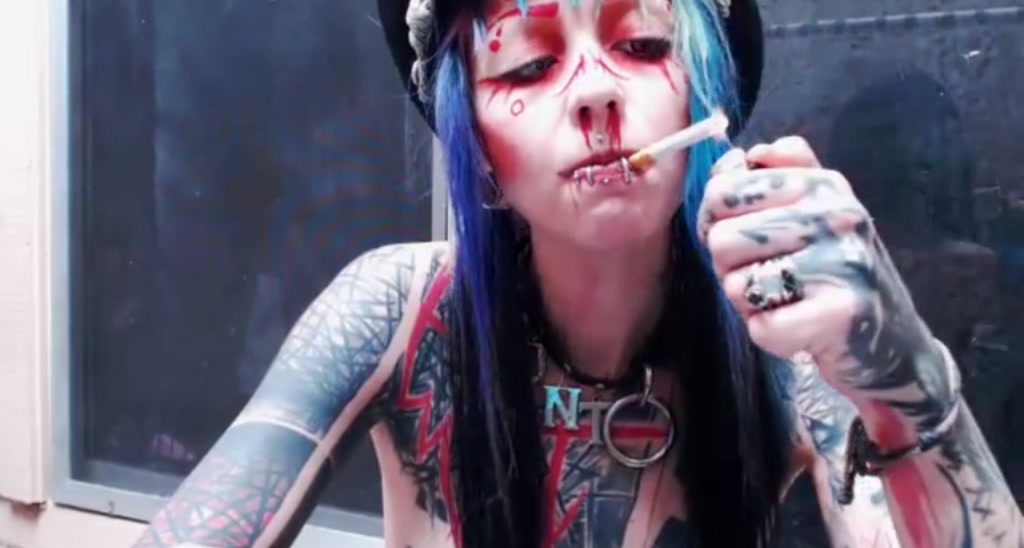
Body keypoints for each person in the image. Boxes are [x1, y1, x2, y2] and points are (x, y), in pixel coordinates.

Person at [131, 0, 1024, 546]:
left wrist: (904, 372)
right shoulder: (397, 311)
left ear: (703, 95)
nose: (596, 91)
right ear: (478, 151)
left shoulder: (785, 338)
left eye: (642, 44)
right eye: (529, 62)